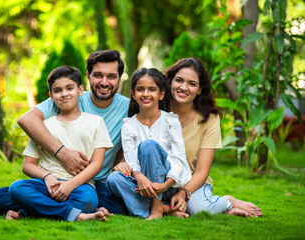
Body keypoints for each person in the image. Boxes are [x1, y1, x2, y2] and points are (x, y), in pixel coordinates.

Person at [0, 50, 129, 216]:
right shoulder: (68, 97)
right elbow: (26, 120)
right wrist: (62, 153)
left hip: (92, 182)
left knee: (101, 200)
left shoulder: (128, 107)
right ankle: (72, 212)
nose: (104, 82)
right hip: (52, 180)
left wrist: (123, 161)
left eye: (111, 76)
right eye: (98, 75)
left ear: (119, 78)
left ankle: (32, 210)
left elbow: (140, 135)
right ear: (88, 76)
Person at [164, 57, 263, 217]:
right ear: (170, 82)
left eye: (192, 83)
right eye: (179, 80)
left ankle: (227, 201)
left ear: (200, 89)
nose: (183, 87)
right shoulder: (157, 109)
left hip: (191, 182)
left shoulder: (209, 118)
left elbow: (202, 170)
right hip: (160, 180)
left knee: (200, 210)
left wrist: (183, 192)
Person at [106, 68, 192, 220]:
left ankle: (157, 209)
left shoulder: (170, 121)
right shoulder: (128, 125)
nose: (145, 94)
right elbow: (131, 159)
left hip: (168, 185)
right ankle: (164, 209)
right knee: (114, 179)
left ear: (161, 94)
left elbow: (179, 159)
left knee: (148, 146)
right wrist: (139, 177)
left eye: (152, 89)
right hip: (142, 185)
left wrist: (166, 184)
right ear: (133, 94)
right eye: (140, 89)